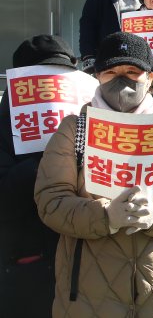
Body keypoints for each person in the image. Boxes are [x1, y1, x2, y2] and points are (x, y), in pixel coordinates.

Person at [33, 32, 153, 317]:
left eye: (132, 71)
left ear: (151, 77)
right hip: (87, 296)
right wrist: (105, 216)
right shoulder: (74, 130)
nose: (122, 79)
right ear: (97, 76)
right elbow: (51, 202)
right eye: (111, 72)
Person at [0, 35, 78, 318]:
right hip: (28, 270)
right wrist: (44, 157)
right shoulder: (3, 126)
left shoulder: (93, 117)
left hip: (85, 270)